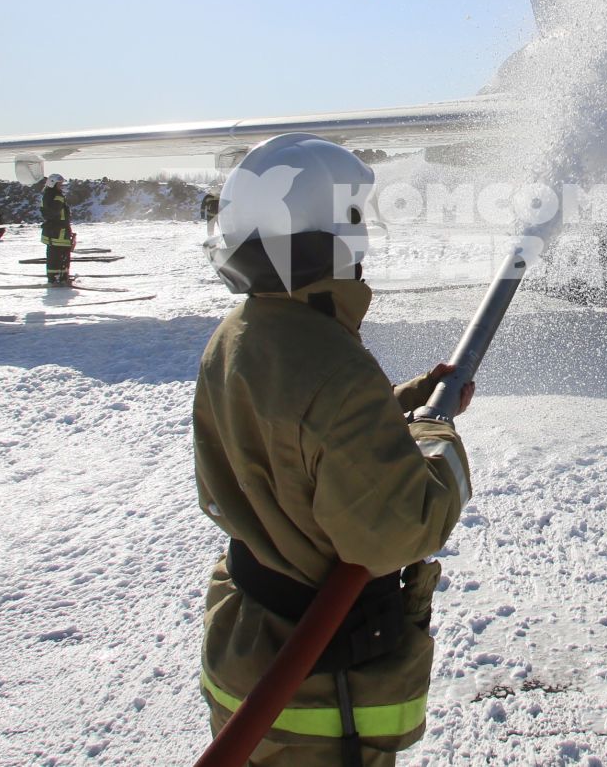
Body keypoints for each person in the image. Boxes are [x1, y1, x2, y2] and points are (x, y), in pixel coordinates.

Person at [195, 132, 473, 767]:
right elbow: (402, 528)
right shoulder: (332, 367)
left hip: (249, 644)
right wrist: (437, 433)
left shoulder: (240, 334)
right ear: (332, 233)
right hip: (317, 693)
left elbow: (292, 435)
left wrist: (399, 401)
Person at [40, 174, 73, 285]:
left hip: (58, 231)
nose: (61, 186)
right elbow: (53, 213)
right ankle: (55, 278)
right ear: (53, 184)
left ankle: (62, 277)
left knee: (62, 255)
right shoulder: (54, 196)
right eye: (59, 184)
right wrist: (59, 200)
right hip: (57, 232)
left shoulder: (50, 195)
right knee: (56, 256)